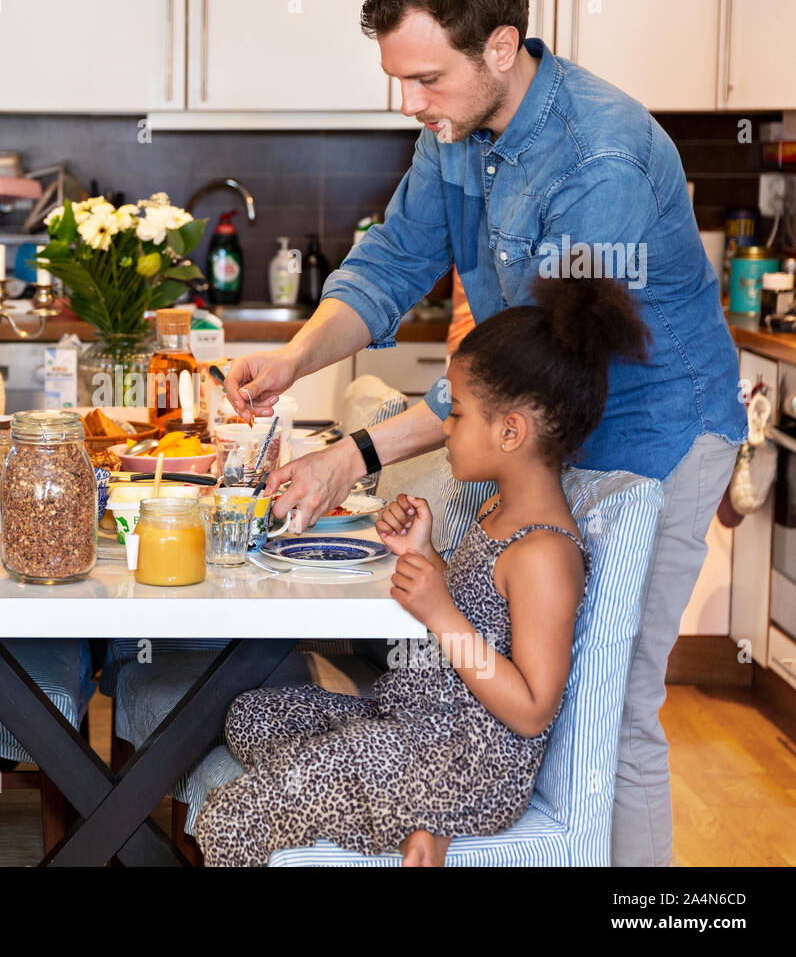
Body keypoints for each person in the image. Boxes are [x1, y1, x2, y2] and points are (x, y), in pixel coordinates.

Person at [223, 0, 745, 868]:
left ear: (501, 47)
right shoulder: (458, 130)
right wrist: (297, 358)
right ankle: (451, 810)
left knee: (611, 710)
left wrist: (359, 451)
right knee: (488, 663)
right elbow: (392, 262)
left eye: (428, 79)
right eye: (401, 81)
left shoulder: (600, 162)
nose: (414, 102)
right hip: (535, 424)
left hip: (652, 432)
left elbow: (545, 367)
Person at [196, 275, 647, 866]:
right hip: (414, 724)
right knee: (251, 718)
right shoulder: (498, 511)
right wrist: (424, 554)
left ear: (511, 431)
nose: (446, 430)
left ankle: (417, 812)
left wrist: (438, 609)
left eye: (456, 414)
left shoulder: (545, 554)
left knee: (232, 819)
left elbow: (533, 706)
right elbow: (477, 610)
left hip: (465, 764)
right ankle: (411, 820)